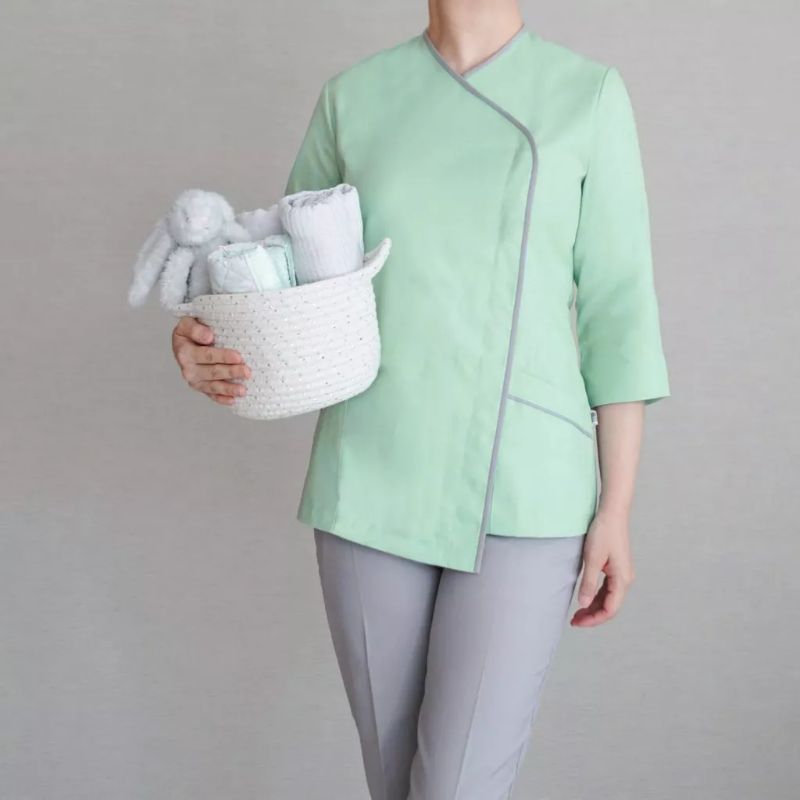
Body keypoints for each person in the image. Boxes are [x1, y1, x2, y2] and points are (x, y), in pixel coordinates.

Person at [170, 1, 670, 796]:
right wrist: (201, 341)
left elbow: (620, 315)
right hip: (370, 472)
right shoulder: (354, 97)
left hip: (526, 484)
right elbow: (282, 288)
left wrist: (617, 508)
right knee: (394, 780)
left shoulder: (588, 96)